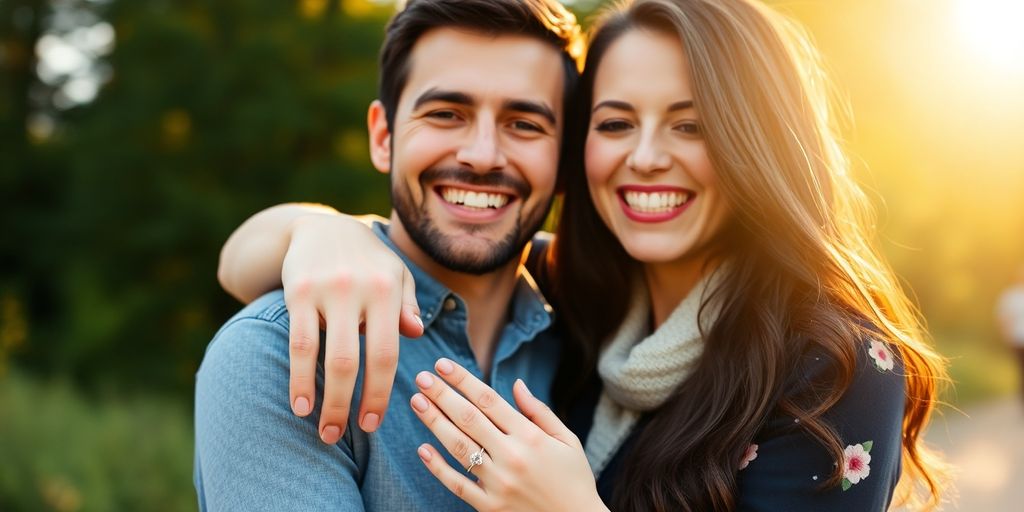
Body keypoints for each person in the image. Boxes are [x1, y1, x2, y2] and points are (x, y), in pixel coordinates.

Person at [218, 0, 950, 510]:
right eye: (616, 122)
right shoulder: (573, 300)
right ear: (584, 152)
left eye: (693, 126)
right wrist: (317, 228)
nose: (647, 156)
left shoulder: (832, 363)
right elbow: (237, 262)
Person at [192, 1, 589, 510]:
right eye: (446, 114)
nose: (483, 155)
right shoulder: (281, 351)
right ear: (383, 137)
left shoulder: (595, 329)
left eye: (525, 124)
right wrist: (310, 224)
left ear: (563, 162)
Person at [997, 265, 1024, 405]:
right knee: (1021, 368)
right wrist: (1006, 335)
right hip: (1018, 340)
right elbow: (1004, 317)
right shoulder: (1010, 295)